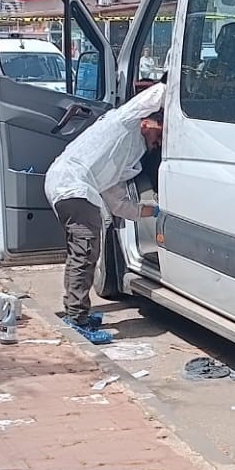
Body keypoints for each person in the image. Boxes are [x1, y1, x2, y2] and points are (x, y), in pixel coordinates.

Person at [44, 83, 165, 343]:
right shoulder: (124, 123)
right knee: (85, 253)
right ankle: (77, 319)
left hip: (73, 188)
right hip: (71, 185)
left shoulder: (131, 159)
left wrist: (153, 212)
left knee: (81, 253)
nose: (160, 141)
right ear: (147, 122)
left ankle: (76, 313)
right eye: (161, 130)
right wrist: (179, 93)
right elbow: (156, 93)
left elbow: (119, 203)